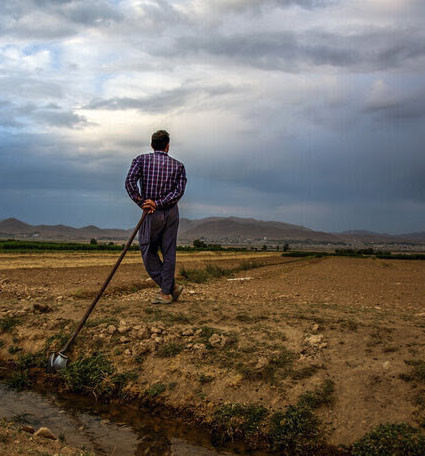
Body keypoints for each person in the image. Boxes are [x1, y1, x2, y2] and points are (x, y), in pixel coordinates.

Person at [125, 130, 187, 304]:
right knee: (169, 251)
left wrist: (144, 202)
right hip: (171, 212)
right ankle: (169, 289)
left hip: (151, 213)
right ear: (167, 146)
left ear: (152, 145)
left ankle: (167, 291)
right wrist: (159, 203)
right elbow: (179, 192)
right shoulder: (178, 166)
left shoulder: (141, 160)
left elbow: (129, 181)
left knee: (147, 248)